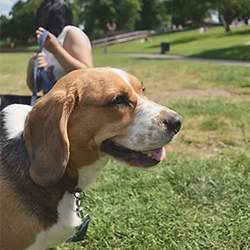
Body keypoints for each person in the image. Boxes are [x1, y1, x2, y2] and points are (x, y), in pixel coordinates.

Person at [26, 0, 93, 93]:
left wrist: (56, 50)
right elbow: (36, 89)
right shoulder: (49, 41)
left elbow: (88, 76)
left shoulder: (71, 33)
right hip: (52, 103)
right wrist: (32, 68)